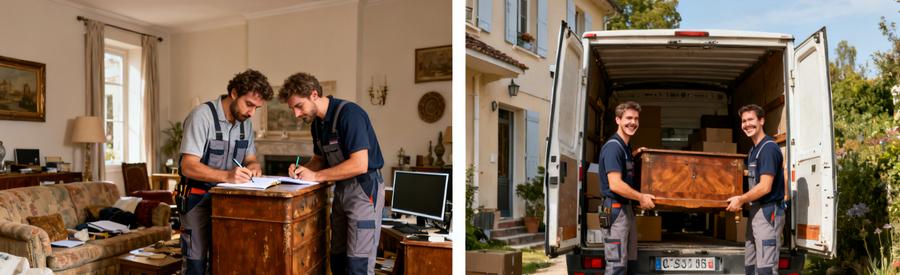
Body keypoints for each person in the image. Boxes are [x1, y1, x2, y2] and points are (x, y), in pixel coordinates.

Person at [279, 72, 385, 275]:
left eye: (298, 106)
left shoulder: (350, 115)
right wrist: (304, 170)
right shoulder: (318, 124)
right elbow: (319, 159)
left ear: (314, 94)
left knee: (357, 265)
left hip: (364, 191)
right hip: (341, 190)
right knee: (337, 259)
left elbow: (359, 164)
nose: (296, 114)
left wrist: (316, 176)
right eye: (292, 108)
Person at [176, 69, 273, 275]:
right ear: (235, 93)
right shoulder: (201, 116)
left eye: (257, 108)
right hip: (197, 201)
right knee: (196, 263)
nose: (251, 113)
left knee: (228, 259)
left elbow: (251, 158)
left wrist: (254, 167)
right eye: (249, 105)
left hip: (229, 204)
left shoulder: (245, 124)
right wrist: (227, 176)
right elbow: (188, 165)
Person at [725, 104, 786, 275]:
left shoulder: (768, 148)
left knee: (766, 269)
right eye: (743, 121)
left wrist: (741, 199)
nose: (746, 124)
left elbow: (765, 186)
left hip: (768, 211)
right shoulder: (753, 150)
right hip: (756, 210)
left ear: (761, 121)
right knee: (751, 266)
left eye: (751, 120)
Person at [598, 101, 656, 275]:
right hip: (615, 210)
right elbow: (615, 184)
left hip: (624, 209)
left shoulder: (624, 147)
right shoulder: (613, 148)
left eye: (636, 119)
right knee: (616, 265)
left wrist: (635, 154)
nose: (633, 122)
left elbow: (623, 165)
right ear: (618, 120)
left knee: (626, 263)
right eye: (628, 118)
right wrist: (640, 197)